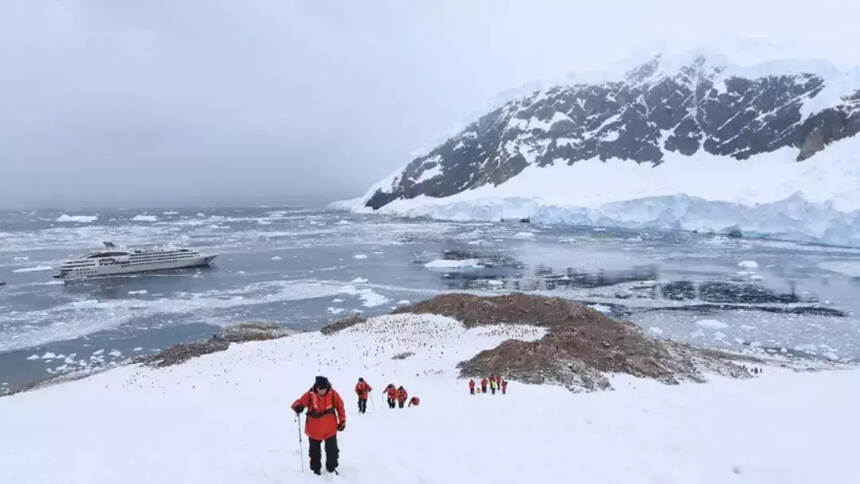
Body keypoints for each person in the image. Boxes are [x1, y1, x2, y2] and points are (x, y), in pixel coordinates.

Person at [292, 376, 346, 475]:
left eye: (324, 388)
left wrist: (342, 421)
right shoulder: (309, 395)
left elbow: (340, 407)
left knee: (332, 452)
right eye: (320, 389)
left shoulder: (333, 394)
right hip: (314, 430)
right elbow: (298, 403)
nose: (322, 391)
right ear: (316, 387)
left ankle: (331, 469)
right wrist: (297, 407)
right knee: (314, 453)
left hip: (330, 430)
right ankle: (315, 470)